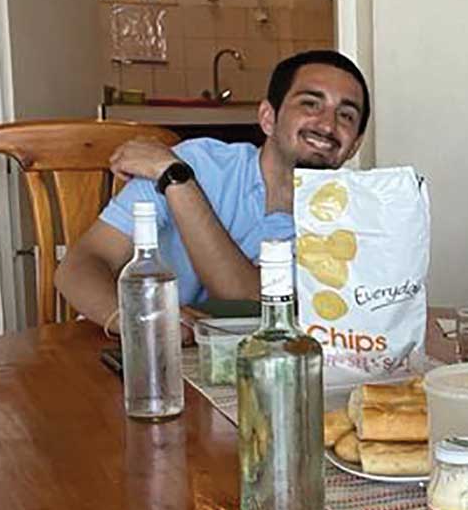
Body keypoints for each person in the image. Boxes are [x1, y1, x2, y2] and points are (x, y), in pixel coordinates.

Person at [58, 50, 369, 330]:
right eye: (310, 104)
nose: (327, 125)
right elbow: (81, 264)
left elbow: (250, 302)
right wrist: (138, 321)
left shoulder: (349, 226)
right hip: (130, 346)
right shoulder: (197, 162)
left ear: (354, 145)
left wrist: (179, 184)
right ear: (268, 118)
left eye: (346, 115)